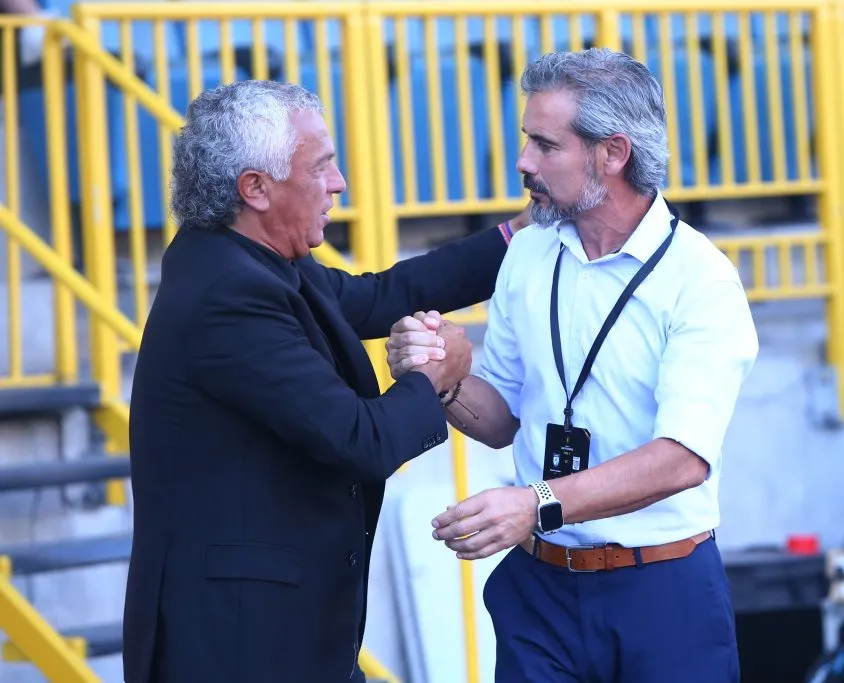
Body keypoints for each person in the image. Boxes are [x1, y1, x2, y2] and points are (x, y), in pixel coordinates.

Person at [123, 80, 528, 683]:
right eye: (321, 167)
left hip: (283, 632)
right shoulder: (227, 293)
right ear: (254, 188)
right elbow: (359, 440)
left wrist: (515, 236)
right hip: (238, 645)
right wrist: (433, 376)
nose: (339, 184)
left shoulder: (250, 257)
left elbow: (382, 294)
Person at [386, 49, 759, 682]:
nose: (524, 162)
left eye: (544, 145)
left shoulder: (701, 280)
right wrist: (444, 377)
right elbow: (502, 417)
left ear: (612, 154)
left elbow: (683, 458)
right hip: (541, 590)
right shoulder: (530, 255)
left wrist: (536, 503)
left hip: (661, 589)